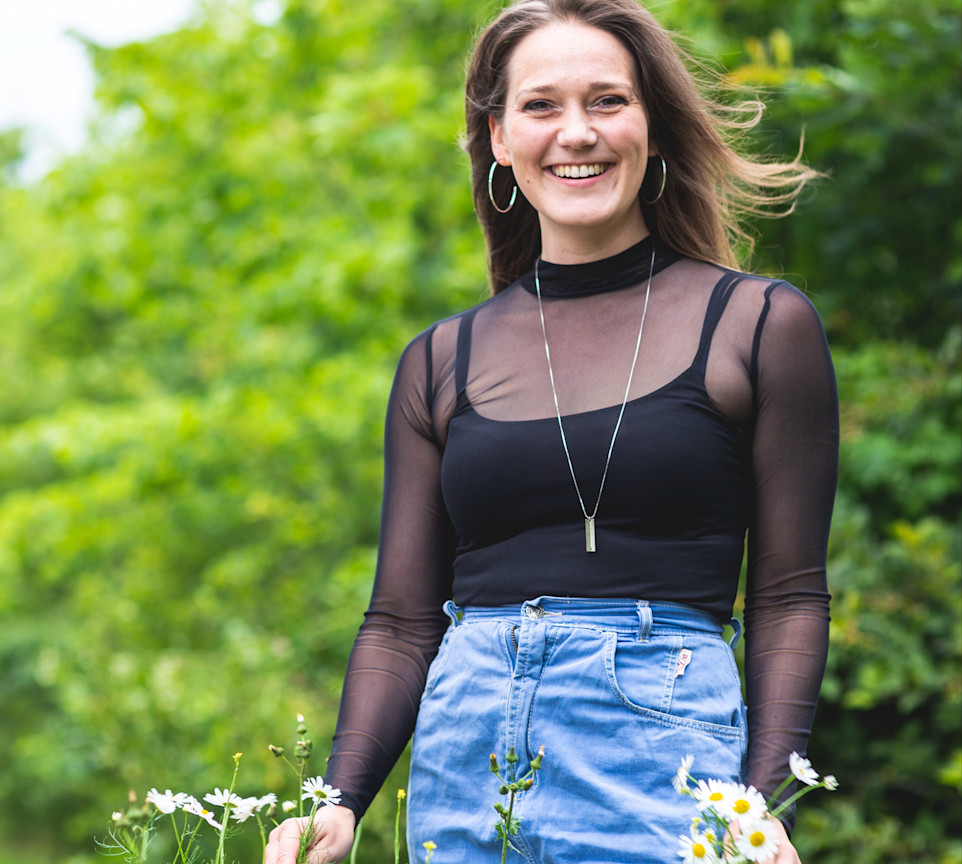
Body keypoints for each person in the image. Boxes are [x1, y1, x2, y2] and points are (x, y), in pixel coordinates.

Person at [265, 0, 838, 861]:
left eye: (607, 101)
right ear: (498, 137)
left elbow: (789, 597)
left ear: (653, 126)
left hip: (662, 759)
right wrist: (341, 798)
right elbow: (401, 619)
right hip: (466, 756)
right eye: (541, 106)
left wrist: (764, 808)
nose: (577, 132)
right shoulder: (441, 359)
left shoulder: (756, 324)